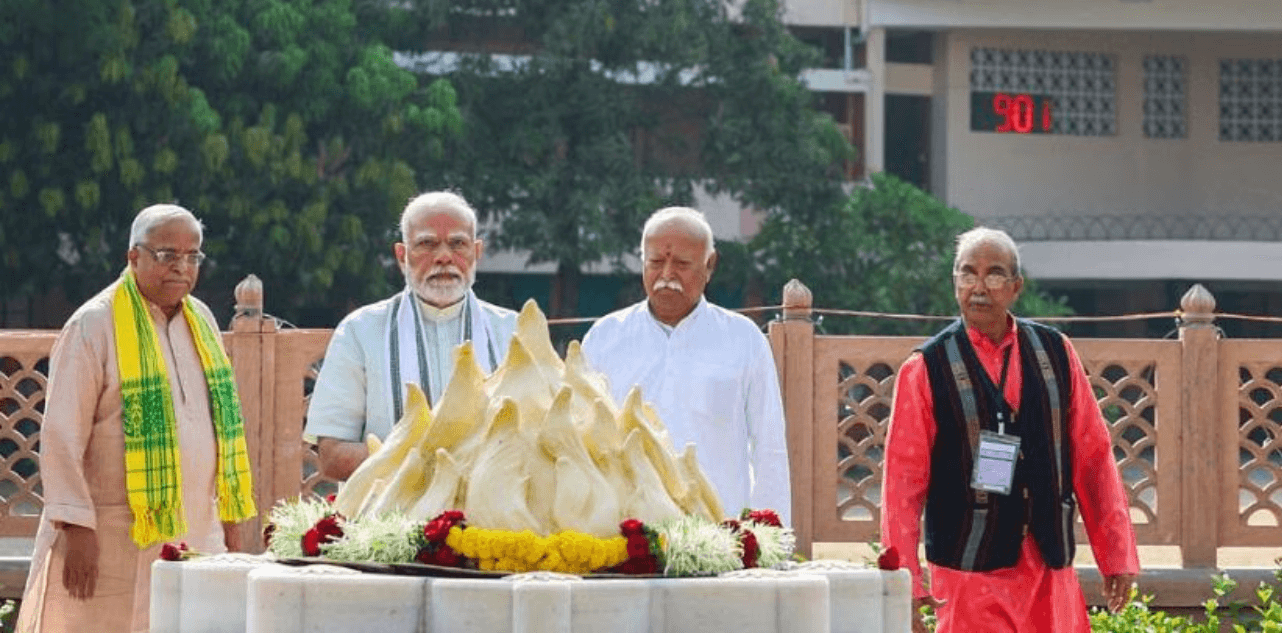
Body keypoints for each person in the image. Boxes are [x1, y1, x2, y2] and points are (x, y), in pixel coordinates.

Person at [880, 227, 1139, 633]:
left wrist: (1116, 554)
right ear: (955, 282)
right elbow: (902, 484)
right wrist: (906, 583)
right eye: (968, 274)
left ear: (1016, 286)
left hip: (1049, 567)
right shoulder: (925, 368)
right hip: (968, 572)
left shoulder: (1057, 352)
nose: (980, 287)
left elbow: (1093, 459)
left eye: (995, 274)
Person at [17, 204, 257, 633]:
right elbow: (61, 436)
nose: (181, 267)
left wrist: (230, 524)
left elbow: (220, 431)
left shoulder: (201, 320)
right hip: (111, 537)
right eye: (167, 255)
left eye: (192, 256)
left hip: (196, 531)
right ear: (134, 257)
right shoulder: (93, 324)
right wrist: (76, 527)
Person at [581, 206, 791, 523]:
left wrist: (771, 533)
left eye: (681, 264)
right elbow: (582, 437)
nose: (667, 276)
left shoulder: (743, 339)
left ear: (709, 265)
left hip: (720, 529)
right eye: (656, 262)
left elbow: (769, 445)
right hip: (627, 529)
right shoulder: (605, 338)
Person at [306, 191, 517, 480]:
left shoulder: (513, 332)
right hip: (389, 507)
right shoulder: (360, 331)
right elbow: (332, 457)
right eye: (427, 244)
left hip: (489, 506)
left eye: (458, 243)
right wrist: (429, 461)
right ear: (402, 256)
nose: (444, 257)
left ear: (476, 252)